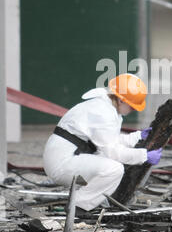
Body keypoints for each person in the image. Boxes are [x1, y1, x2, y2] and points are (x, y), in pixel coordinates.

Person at [43, 73, 162, 212]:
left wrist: (137, 137)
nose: (133, 110)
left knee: (107, 162)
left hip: (67, 157)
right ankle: (78, 206)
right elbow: (112, 152)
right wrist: (144, 156)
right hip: (61, 163)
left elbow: (108, 141)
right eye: (132, 106)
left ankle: (83, 203)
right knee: (114, 169)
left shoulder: (105, 106)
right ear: (121, 100)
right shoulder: (102, 113)